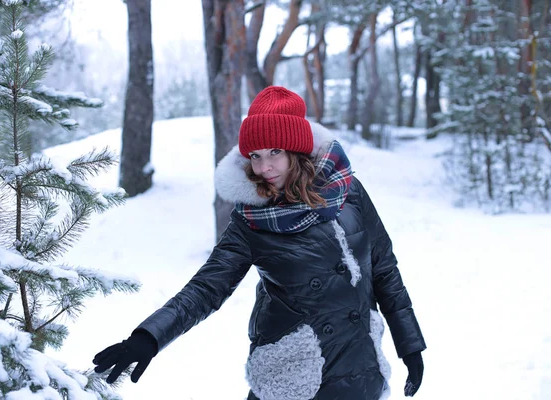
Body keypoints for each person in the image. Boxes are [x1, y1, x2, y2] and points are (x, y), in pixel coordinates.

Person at [93, 86, 426, 399]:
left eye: (275, 152)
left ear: (297, 149)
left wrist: (408, 343)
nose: (264, 167)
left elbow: (384, 269)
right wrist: (149, 337)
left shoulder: (349, 191)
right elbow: (207, 288)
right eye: (254, 155)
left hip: (360, 368)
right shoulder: (251, 219)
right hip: (293, 376)